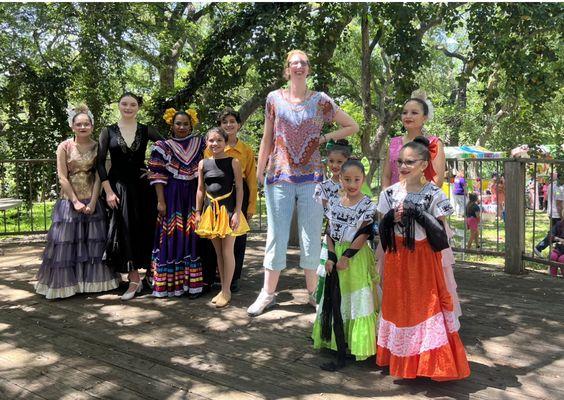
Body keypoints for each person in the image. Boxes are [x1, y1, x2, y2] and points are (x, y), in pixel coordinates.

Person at [247, 49, 359, 316]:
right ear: (287, 69)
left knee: (311, 237)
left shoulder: (320, 100)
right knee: (276, 235)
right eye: (294, 63)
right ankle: (268, 293)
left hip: (312, 178)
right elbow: (267, 138)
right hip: (279, 175)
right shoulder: (274, 98)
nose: (298, 66)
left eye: (303, 63)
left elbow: (352, 125)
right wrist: (259, 171)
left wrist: (323, 138)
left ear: (308, 69)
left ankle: (314, 294)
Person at [377, 137, 470, 381]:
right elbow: (381, 234)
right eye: (400, 162)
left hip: (424, 259)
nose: (403, 166)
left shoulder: (434, 194)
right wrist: (391, 219)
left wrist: (418, 214)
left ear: (423, 164)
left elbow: (441, 238)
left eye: (409, 162)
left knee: (426, 307)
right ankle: (403, 361)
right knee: (400, 306)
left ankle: (430, 364)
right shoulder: (389, 194)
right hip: (397, 258)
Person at [380, 90, 461, 318]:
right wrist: (389, 200)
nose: (408, 116)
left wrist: (418, 206)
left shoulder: (434, 143)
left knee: (429, 269)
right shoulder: (394, 143)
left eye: (414, 112)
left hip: (423, 213)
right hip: (396, 212)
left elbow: (438, 179)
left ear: (425, 117)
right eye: (405, 112)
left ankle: (430, 315)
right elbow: (387, 175)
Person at [36, 105, 118, 299]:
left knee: (93, 244)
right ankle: (66, 285)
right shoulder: (64, 146)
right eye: (79, 124)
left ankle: (91, 284)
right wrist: (74, 201)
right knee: (66, 243)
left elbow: (100, 175)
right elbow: (62, 177)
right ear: (72, 126)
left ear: (91, 125)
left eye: (86, 124)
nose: (83, 127)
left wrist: (92, 202)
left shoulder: (98, 146)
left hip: (92, 199)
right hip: (69, 200)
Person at [312, 159, 378, 371]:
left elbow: (364, 233)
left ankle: (356, 342)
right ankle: (338, 340)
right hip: (337, 253)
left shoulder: (367, 205)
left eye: (356, 179)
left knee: (356, 295)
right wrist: (331, 256)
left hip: (355, 257)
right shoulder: (334, 202)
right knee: (336, 296)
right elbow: (330, 231)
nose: (352, 184)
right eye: (347, 179)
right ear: (340, 179)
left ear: (363, 180)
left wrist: (346, 257)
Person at [97, 92, 162, 300]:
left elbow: (168, 147)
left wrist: (155, 171)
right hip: (118, 188)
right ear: (119, 106)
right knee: (125, 231)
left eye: (132, 104)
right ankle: (134, 280)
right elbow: (99, 163)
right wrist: (107, 190)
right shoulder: (108, 131)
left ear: (138, 107)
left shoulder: (146, 129)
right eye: (124, 104)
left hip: (143, 186)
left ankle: (150, 276)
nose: (128, 107)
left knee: (147, 229)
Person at [148, 108, 205, 298]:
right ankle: (172, 285)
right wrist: (160, 201)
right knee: (173, 234)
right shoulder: (163, 146)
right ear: (171, 125)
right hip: (172, 196)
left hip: (193, 196)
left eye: (185, 124)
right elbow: (158, 175)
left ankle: (193, 284)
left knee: (193, 235)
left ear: (191, 125)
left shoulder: (201, 143)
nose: (182, 127)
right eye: (178, 124)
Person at [201, 108, 257, 293]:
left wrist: (250, 206)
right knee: (213, 241)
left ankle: (233, 280)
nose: (229, 125)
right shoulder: (210, 150)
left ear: (238, 124)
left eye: (232, 121)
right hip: (215, 198)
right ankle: (211, 278)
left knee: (237, 242)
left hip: (237, 195)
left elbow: (250, 179)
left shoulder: (245, 150)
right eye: (225, 122)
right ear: (220, 126)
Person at [195, 127, 250, 308]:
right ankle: (222, 289)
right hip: (211, 212)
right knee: (218, 252)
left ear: (225, 143)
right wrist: (197, 212)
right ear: (206, 143)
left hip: (228, 211)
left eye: (219, 140)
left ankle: (227, 290)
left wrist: (237, 212)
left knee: (228, 251)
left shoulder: (233, 162)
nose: (215, 143)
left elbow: (240, 188)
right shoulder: (203, 163)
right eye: (211, 140)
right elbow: (201, 189)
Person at [312, 139, 352, 304]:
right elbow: (326, 213)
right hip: (332, 234)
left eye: (340, 162)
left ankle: (347, 303)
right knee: (328, 267)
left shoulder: (355, 183)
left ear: (347, 162)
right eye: (331, 161)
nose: (335, 165)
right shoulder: (323, 187)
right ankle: (324, 303)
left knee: (349, 269)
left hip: (351, 234)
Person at [534, 173, 563, 257]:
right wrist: (562, 218)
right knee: (555, 234)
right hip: (557, 214)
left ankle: (553, 252)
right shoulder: (559, 188)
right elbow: (559, 204)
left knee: (554, 234)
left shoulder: (552, 185)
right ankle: (540, 247)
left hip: (552, 213)